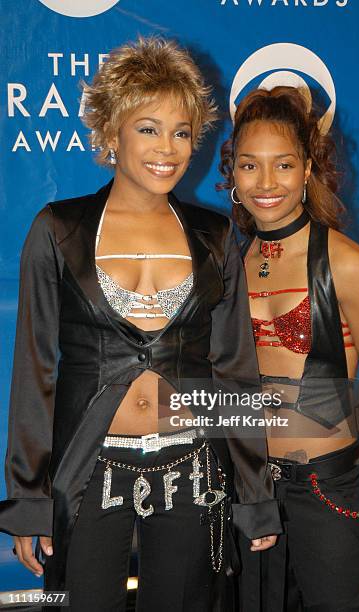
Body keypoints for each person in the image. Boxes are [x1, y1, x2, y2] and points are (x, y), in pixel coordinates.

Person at [0, 38, 280, 612]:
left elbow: (236, 371)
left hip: (193, 466)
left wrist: (253, 494)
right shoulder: (58, 229)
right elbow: (36, 366)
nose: (168, 149)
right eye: (148, 128)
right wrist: (28, 499)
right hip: (89, 470)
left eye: (181, 131)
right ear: (112, 130)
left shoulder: (216, 235)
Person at [218, 86, 359, 611]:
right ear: (233, 175)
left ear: (306, 170)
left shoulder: (347, 263)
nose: (266, 183)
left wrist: (334, 449)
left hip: (327, 491)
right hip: (250, 493)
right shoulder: (229, 267)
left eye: (283, 165)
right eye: (250, 166)